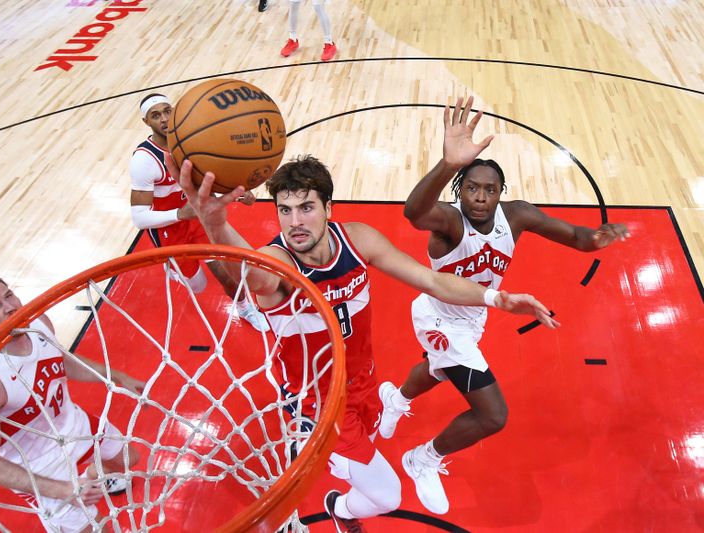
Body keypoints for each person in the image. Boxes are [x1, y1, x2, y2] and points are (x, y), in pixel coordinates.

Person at [172, 153, 558, 531]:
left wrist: (497, 298)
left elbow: (433, 280)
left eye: (306, 207)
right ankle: (337, 503)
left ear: (329, 208)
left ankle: (335, 480)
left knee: (367, 456)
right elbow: (255, 276)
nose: (295, 222)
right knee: (387, 496)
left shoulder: (356, 239)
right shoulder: (280, 262)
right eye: (284, 211)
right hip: (318, 404)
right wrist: (216, 224)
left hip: (363, 384)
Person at [376, 96, 631, 515]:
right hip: (439, 315)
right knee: (493, 416)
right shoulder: (449, 220)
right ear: (462, 190)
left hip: (473, 315)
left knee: (440, 369)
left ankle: (397, 398)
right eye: (472, 188)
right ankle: (422, 459)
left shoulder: (517, 216)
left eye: (489, 190)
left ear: (500, 193)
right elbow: (412, 212)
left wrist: (600, 236)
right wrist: (447, 164)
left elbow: (579, 239)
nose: (480, 197)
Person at [0, 270, 146, 532]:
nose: (11, 307)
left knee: (128, 459)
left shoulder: (38, 323)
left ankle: (96, 482)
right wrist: (65, 490)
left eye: (9, 295)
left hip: (72, 424)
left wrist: (116, 376)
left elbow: (59, 361)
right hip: (38, 465)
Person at [129, 93, 269, 332]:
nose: (164, 119)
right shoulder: (144, 160)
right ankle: (175, 270)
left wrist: (239, 190)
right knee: (198, 285)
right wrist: (180, 214)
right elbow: (139, 218)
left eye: (167, 111)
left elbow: (210, 176)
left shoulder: (193, 142)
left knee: (227, 274)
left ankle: (245, 307)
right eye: (155, 115)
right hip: (169, 230)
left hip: (198, 220)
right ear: (146, 122)